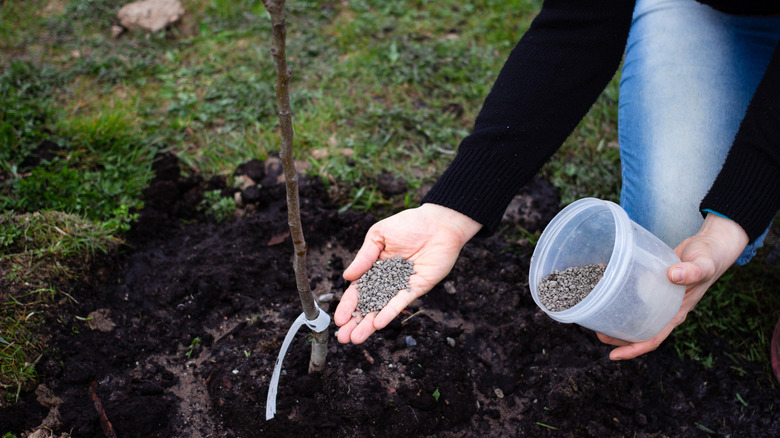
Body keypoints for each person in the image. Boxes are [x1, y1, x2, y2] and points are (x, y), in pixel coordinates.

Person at [334, 0, 780, 364]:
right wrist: (453, 210)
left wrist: (732, 220)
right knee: (673, 233)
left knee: (706, 228)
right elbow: (577, 27)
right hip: (709, 12)